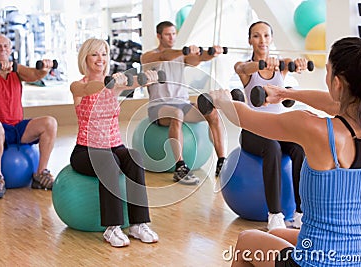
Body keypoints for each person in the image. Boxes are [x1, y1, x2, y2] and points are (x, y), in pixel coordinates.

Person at [210, 36, 361, 266]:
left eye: (328, 72)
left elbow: (244, 117)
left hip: (317, 261)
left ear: (337, 84)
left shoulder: (314, 129)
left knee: (246, 241)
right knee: (276, 235)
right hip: (356, 257)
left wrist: (221, 101)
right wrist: (285, 93)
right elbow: (336, 104)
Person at [69, 38, 159, 248]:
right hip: (86, 150)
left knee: (134, 157)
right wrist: (109, 81)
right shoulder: (78, 86)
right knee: (107, 161)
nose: (100, 59)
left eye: (104, 54)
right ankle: (112, 228)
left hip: (113, 146)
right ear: (85, 58)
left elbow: (134, 81)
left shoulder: (114, 86)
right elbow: (90, 88)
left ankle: (138, 223)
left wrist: (147, 78)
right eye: (95, 54)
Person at [233, 21, 308, 230]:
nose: (262, 40)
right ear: (250, 40)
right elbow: (246, 67)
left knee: (300, 148)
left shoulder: (281, 65)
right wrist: (263, 64)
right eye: (256, 36)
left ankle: (301, 213)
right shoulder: (244, 68)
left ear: (271, 39)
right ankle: (275, 215)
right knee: (273, 148)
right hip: (253, 131)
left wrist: (299, 63)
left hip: (277, 128)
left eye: (266, 35)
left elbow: (293, 63)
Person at [140, 20, 226, 186]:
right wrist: (184, 51)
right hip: (159, 108)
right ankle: (180, 168)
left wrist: (211, 53)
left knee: (212, 111)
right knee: (176, 113)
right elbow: (164, 55)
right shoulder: (148, 57)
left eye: (174, 33)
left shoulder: (181, 56)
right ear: (159, 36)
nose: (172, 37)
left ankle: (221, 162)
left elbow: (198, 59)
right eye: (167, 34)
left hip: (182, 103)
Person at [0, 34, 57, 199]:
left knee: (50, 123)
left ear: (11, 49)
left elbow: (34, 75)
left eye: (6, 46)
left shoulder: (16, 70)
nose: (3, 49)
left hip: (17, 128)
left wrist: (44, 69)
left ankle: (40, 174)